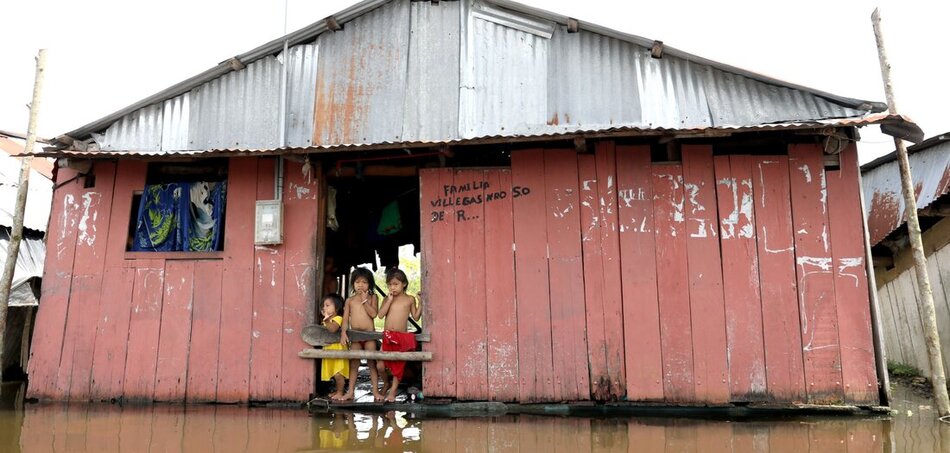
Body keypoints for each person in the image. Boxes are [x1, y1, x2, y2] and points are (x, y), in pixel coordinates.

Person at [376, 268, 422, 402]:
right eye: (390, 284)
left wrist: (420, 302)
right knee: (380, 365)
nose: (392, 287)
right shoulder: (387, 298)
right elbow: (380, 315)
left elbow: (416, 316)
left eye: (396, 284)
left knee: (398, 366)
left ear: (404, 284)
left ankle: (393, 391)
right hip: (387, 335)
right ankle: (386, 383)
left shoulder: (409, 299)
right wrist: (389, 301)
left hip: (401, 337)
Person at [340, 267, 382, 401]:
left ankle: (375, 392)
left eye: (364, 282)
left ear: (369, 284)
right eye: (357, 282)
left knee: (371, 364)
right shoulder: (350, 300)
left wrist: (365, 301)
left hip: (369, 336)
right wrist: (343, 333)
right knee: (354, 364)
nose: (361, 285)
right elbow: (345, 319)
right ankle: (350, 392)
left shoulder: (373, 297)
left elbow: (374, 314)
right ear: (353, 284)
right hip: (355, 337)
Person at [319, 293, 349, 401]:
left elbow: (333, 329)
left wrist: (326, 321)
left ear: (336, 307)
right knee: (333, 372)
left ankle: (340, 392)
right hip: (329, 348)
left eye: (327, 305)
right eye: (323, 306)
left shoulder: (338, 318)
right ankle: (337, 390)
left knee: (338, 373)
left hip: (338, 349)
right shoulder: (327, 320)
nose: (324, 308)